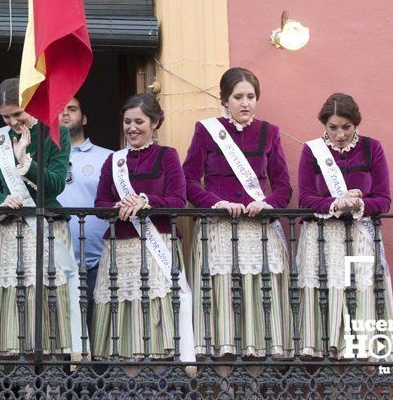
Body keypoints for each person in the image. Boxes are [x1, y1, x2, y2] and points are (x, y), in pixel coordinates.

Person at [182, 67, 294, 358]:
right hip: (219, 231)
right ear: (224, 100)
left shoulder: (270, 133)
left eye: (251, 96)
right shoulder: (207, 131)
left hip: (258, 233)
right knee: (222, 316)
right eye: (238, 97)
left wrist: (268, 204)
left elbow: (283, 186)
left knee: (258, 310)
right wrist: (213, 203)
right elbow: (189, 180)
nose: (246, 103)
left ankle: (255, 383)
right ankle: (222, 383)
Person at [91, 93, 196, 361]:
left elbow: (177, 200)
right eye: (127, 122)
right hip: (120, 250)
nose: (132, 128)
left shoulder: (167, 156)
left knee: (155, 324)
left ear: (155, 123)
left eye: (139, 121)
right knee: (123, 328)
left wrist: (145, 201)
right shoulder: (114, 161)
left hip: (156, 247)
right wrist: (118, 206)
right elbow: (100, 203)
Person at [0, 77, 82, 356]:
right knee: (15, 307)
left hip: (46, 229)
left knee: (48, 304)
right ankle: (24, 383)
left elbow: (56, 183)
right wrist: (0, 202)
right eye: (6, 116)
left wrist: (25, 162)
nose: (13, 122)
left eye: (18, 114)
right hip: (10, 231)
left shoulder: (55, 132)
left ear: (31, 104)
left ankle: (50, 383)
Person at [296, 93, 393, 358]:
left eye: (346, 127)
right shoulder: (312, 150)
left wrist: (358, 204)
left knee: (358, 303)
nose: (340, 134)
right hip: (323, 239)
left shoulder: (372, 148)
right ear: (324, 125)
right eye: (333, 127)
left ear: (356, 123)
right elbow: (305, 198)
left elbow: (384, 200)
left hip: (360, 237)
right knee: (327, 302)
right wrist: (337, 202)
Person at [57, 96, 112, 340]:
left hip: (97, 259)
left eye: (72, 109)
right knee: (57, 327)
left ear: (85, 117)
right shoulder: (41, 158)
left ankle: (96, 378)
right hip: (55, 258)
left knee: (98, 328)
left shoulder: (108, 157)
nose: (65, 113)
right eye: (60, 110)